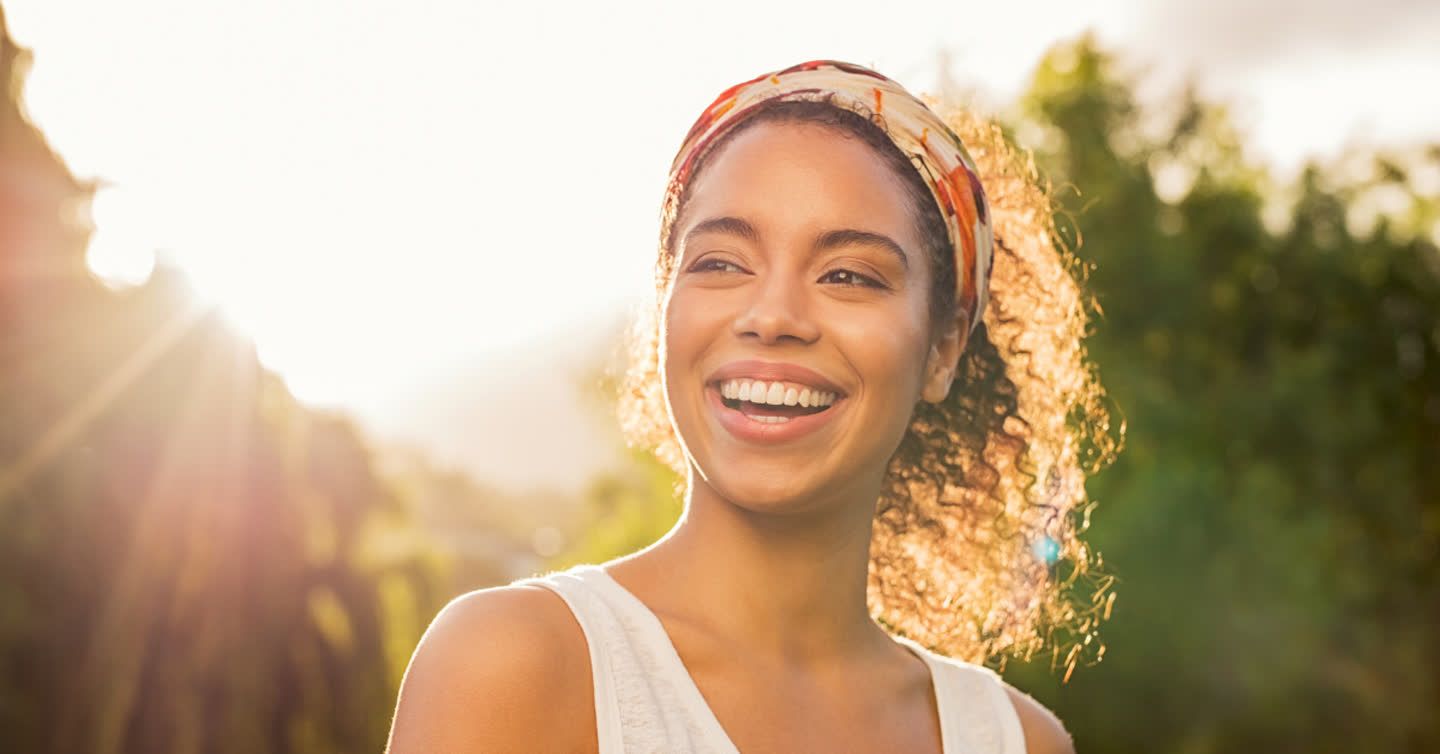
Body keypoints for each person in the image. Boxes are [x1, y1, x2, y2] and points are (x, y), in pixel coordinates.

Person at [387, 59, 1114, 753]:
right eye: (721, 263)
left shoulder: (1014, 741)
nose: (773, 315)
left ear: (944, 349)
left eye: (849, 275)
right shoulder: (511, 665)